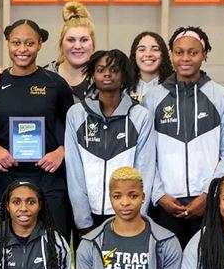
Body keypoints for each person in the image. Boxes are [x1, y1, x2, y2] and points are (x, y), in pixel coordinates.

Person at [141, 26, 224, 248]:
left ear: (204, 55)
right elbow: (146, 155)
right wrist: (159, 196)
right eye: (179, 52)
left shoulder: (222, 97)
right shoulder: (152, 99)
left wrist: (209, 195)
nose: (185, 58)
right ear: (171, 54)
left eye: (193, 52)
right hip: (166, 206)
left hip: (208, 204)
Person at [0, 19, 76, 240]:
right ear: (7, 43)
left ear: (40, 44)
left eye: (29, 43)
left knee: (56, 242)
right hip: (8, 174)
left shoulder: (56, 84)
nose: (22, 49)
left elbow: (75, 128)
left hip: (49, 176)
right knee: (12, 243)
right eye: (16, 43)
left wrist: (61, 152)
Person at [65, 49, 156, 233]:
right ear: (92, 75)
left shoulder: (141, 116)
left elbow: (145, 171)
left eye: (114, 70)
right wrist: (83, 220)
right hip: (88, 218)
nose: (107, 74)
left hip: (128, 216)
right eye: (100, 70)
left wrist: (137, 216)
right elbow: (74, 171)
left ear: (124, 76)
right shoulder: (76, 114)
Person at [0, 2, 97, 99]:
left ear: (93, 44)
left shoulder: (104, 80)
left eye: (84, 40)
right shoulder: (43, 76)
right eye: (71, 40)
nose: (77, 46)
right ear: (62, 44)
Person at [129, 31, 174, 102]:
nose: (148, 54)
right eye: (142, 50)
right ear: (134, 55)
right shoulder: (124, 87)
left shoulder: (174, 85)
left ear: (163, 55)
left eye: (155, 49)